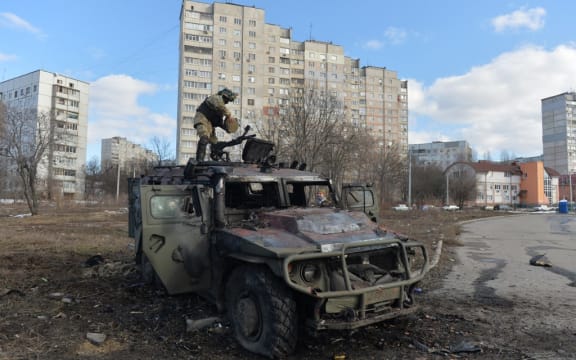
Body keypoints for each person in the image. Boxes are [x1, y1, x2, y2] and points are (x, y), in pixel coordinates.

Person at [194, 88, 240, 161]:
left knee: (214, 143)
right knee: (204, 137)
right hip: (202, 118)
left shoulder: (220, 112)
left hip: (210, 124)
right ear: (224, 96)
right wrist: (229, 115)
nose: (227, 102)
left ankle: (215, 157)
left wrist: (230, 127)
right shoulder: (215, 98)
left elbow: (220, 123)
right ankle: (199, 160)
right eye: (227, 100)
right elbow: (220, 106)